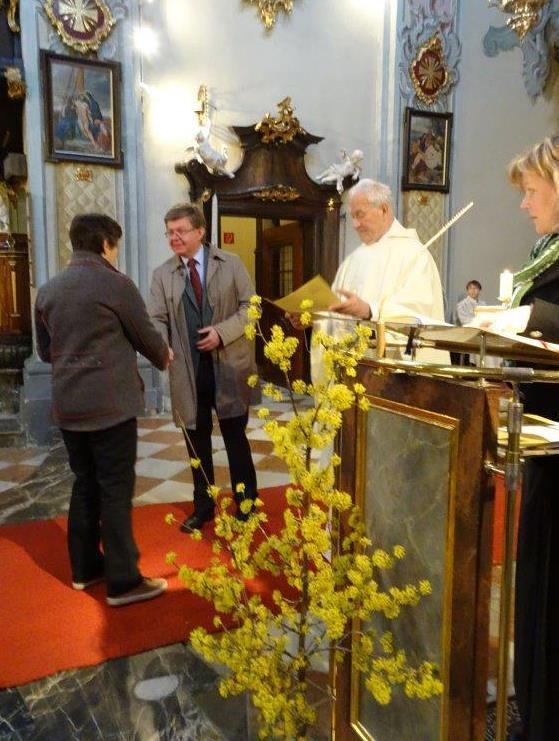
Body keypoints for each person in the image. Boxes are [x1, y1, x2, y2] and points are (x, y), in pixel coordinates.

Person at [35, 213, 170, 607]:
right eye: (116, 246)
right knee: (115, 488)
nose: (116, 253)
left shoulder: (48, 290)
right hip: (110, 404)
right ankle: (123, 582)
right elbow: (145, 335)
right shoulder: (116, 284)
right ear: (107, 244)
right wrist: (164, 356)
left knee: (85, 482)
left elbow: (45, 351)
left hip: (69, 404)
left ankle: (85, 569)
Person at [149, 203, 258, 532]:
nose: (174, 238)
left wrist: (221, 333)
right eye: (169, 232)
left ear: (200, 231)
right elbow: (156, 318)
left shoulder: (231, 263)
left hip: (229, 367)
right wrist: (161, 344)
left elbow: (251, 307)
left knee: (235, 437)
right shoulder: (162, 274)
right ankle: (203, 506)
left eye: (180, 231)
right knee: (196, 443)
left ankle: (246, 504)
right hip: (188, 370)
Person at [505, 135, 559, 740]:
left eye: (532, 191)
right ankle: (535, 709)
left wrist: (527, 318)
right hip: (543, 443)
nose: (523, 204)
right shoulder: (545, 253)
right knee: (536, 591)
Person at [305, 178, 447, 369]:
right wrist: (314, 318)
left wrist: (371, 310)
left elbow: (418, 311)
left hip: (392, 374)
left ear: (384, 210)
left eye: (360, 215)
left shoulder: (413, 254)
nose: (355, 224)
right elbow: (339, 316)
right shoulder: (353, 260)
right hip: (351, 370)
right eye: (352, 216)